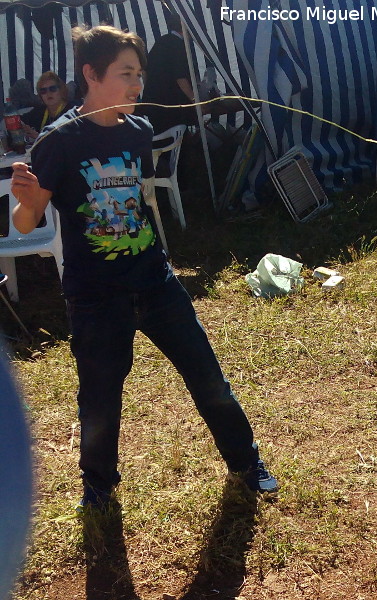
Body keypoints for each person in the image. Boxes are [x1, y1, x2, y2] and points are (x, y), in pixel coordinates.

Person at [9, 25, 278, 512]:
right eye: (126, 74)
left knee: (207, 376)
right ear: (91, 75)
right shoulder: (59, 141)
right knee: (100, 398)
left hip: (155, 280)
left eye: (140, 74)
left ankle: (245, 462)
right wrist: (25, 204)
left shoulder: (139, 130)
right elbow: (26, 225)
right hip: (95, 294)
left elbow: (136, 200)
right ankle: (98, 485)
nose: (137, 84)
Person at [139, 9, 198, 135]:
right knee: (177, 139)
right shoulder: (179, 45)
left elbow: (145, 70)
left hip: (153, 102)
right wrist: (195, 101)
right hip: (170, 105)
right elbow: (180, 78)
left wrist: (152, 88)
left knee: (161, 139)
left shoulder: (162, 41)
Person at [20, 71, 74, 138]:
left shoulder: (72, 113)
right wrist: (23, 127)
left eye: (52, 89)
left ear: (61, 90)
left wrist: (39, 138)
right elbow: (20, 120)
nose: (48, 93)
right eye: (43, 91)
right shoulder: (40, 110)